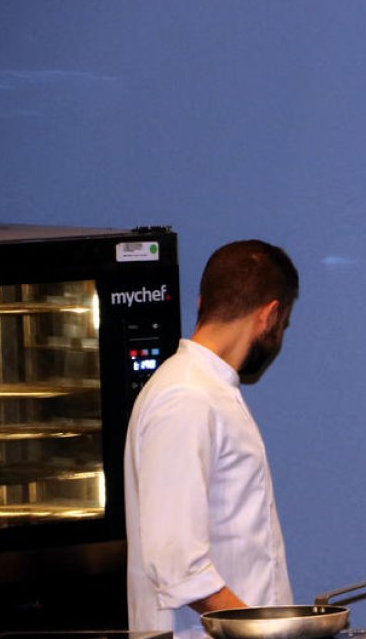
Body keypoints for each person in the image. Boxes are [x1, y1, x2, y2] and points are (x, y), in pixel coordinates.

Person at [124, 239, 299, 638]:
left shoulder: (209, 389)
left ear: (203, 302)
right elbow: (177, 564)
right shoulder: (186, 397)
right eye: (284, 325)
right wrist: (263, 632)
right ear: (271, 316)